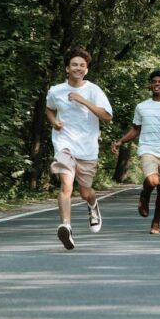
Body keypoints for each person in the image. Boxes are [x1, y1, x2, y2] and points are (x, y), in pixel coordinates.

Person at [46, 47, 113, 251]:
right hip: (64, 144)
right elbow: (49, 109)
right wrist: (54, 122)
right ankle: (66, 226)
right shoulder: (56, 90)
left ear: (87, 70)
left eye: (82, 65)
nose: (78, 68)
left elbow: (107, 116)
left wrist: (83, 100)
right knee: (66, 185)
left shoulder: (94, 90)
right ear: (67, 68)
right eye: (74, 64)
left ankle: (93, 205)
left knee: (85, 192)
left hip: (87, 148)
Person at [111, 69, 160, 234]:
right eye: (154, 82)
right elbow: (135, 129)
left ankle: (156, 222)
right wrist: (121, 141)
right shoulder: (142, 107)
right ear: (151, 85)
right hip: (148, 149)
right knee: (152, 181)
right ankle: (144, 195)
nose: (157, 84)